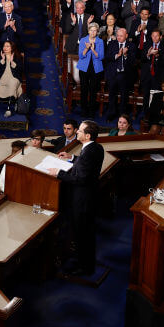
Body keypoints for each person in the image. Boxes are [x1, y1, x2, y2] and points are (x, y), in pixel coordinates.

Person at [48, 121, 104, 276]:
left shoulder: (90, 151)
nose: (77, 132)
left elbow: (80, 179)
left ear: (87, 135)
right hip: (90, 198)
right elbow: (85, 162)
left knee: (82, 234)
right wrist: (72, 157)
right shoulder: (96, 147)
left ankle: (84, 268)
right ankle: (85, 263)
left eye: (79, 131)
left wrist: (58, 173)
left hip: (82, 200)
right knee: (85, 233)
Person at [77, 22, 103, 117]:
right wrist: (86, 48)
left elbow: (101, 57)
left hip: (95, 69)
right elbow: (81, 56)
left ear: (97, 32)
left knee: (93, 90)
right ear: (88, 31)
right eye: (91, 30)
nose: (93, 32)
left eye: (94, 30)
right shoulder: (83, 40)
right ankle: (84, 110)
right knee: (84, 89)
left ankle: (92, 111)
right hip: (84, 68)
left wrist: (93, 50)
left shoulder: (100, 41)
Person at [0, 40, 23, 117]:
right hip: (2, 78)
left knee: (13, 83)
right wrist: (2, 60)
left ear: (12, 48)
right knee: (0, 86)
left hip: (14, 77)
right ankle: (14, 102)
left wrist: (12, 62)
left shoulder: (17, 56)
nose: (5, 48)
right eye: (4, 46)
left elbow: (20, 70)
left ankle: (8, 109)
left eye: (7, 46)